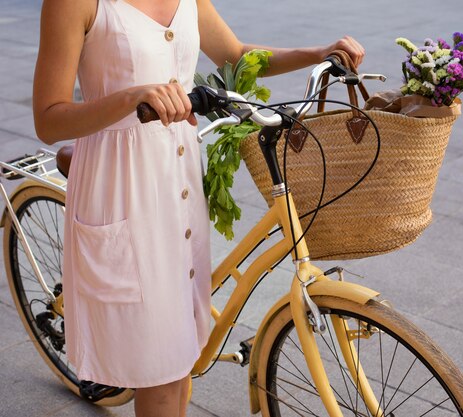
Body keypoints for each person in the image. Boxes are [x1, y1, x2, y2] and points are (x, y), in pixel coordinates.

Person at [32, 0, 364, 416]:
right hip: (123, 189)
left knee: (180, 354)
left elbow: (238, 55)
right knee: (163, 373)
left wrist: (318, 54)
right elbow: (48, 119)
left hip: (180, 184)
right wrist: (133, 96)